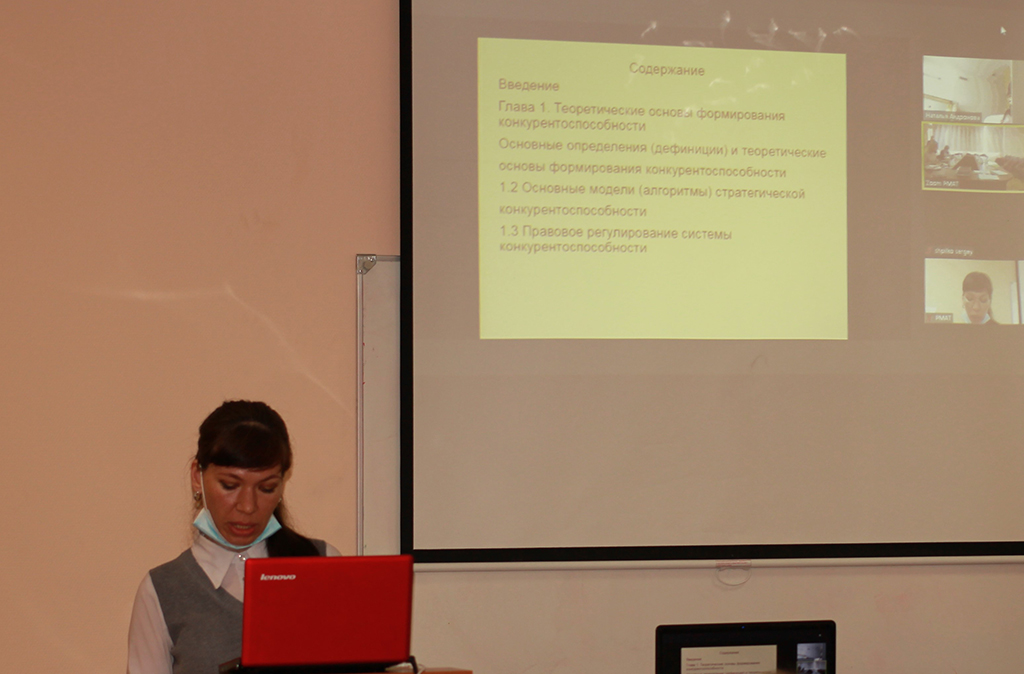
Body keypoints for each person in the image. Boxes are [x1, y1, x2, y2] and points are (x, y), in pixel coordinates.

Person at [127, 400, 339, 674]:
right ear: (197, 477)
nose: (247, 506)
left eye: (266, 488)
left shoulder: (323, 565)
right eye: (230, 485)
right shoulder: (162, 591)